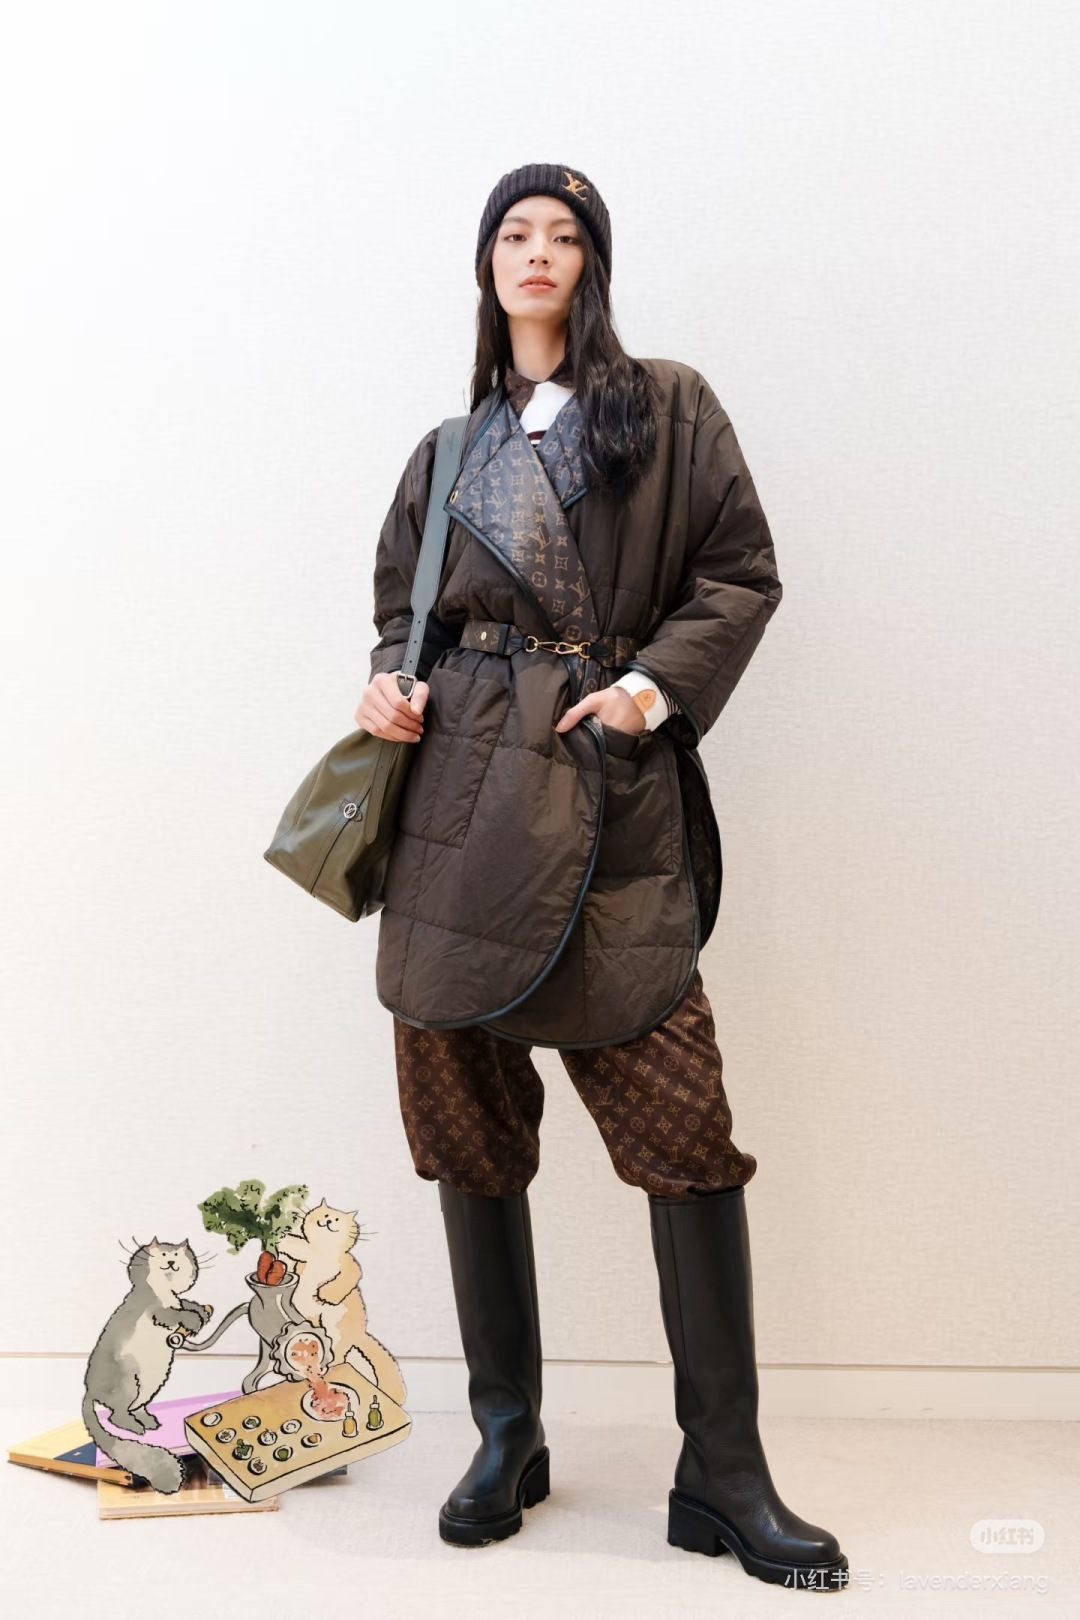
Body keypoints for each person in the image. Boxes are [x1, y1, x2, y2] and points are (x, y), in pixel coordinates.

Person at [354, 163, 848, 1591]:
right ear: (486, 263)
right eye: (515, 233)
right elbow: (401, 613)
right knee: (464, 1124)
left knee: (686, 1134)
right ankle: (505, 1437)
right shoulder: (450, 449)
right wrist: (387, 685)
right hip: (456, 816)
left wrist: (645, 692)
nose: (538, 253)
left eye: (564, 235)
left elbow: (739, 574)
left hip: (608, 801)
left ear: (595, 264)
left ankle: (725, 1473)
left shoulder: (667, 408)